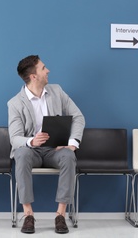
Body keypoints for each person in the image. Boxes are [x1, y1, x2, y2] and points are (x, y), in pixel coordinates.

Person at [7, 55, 85, 234]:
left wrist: (72, 143)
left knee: (68, 155)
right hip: (31, 151)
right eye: (43, 68)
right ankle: (28, 215)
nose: (47, 70)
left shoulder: (57, 91)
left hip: (55, 150)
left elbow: (78, 117)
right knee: (21, 153)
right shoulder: (15, 103)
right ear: (34, 76)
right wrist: (31, 141)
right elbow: (15, 137)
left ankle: (60, 214)